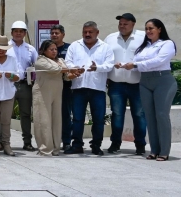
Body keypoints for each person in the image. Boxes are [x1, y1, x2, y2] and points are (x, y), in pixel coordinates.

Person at [122, 19, 177, 161]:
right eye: (146, 29)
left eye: (151, 28)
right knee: (150, 117)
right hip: (145, 81)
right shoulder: (144, 46)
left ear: (159, 29)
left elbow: (159, 61)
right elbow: (135, 62)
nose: (148, 31)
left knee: (161, 115)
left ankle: (164, 151)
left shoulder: (167, 44)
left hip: (162, 81)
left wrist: (135, 64)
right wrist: (124, 64)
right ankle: (154, 149)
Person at [64, 21, 114, 155]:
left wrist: (97, 67)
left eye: (90, 32)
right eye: (85, 32)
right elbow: (68, 62)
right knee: (77, 118)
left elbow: (110, 65)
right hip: (78, 87)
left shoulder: (105, 47)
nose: (87, 34)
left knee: (98, 119)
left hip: (97, 88)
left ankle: (96, 145)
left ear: (97, 33)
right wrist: (75, 69)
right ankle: (77, 145)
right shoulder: (75, 46)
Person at [104, 13, 147, 155]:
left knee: (139, 115)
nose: (122, 26)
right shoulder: (110, 38)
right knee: (117, 115)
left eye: (125, 24)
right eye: (120, 24)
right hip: (116, 84)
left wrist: (134, 65)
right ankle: (115, 143)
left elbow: (149, 56)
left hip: (137, 84)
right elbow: (104, 56)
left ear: (133, 24)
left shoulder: (142, 37)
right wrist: (111, 65)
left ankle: (140, 145)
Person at [33, 39, 72, 156]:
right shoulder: (40, 60)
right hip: (42, 92)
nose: (54, 51)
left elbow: (67, 76)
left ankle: (56, 148)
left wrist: (75, 73)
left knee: (56, 120)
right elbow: (54, 69)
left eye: (55, 49)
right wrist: (68, 69)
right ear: (44, 51)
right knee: (43, 120)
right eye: (51, 49)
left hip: (57, 93)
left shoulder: (60, 60)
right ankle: (45, 148)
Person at [6, 21, 38, 151]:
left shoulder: (30, 49)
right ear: (11, 32)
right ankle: (4, 141)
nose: (18, 33)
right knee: (6, 114)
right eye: (16, 31)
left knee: (25, 114)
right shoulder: (5, 47)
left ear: (25, 33)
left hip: (25, 85)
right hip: (8, 84)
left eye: (21, 31)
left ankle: (27, 142)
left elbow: (37, 65)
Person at [50, 24, 72, 151]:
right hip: (50, 85)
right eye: (52, 33)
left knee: (65, 114)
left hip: (66, 86)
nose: (54, 35)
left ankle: (67, 141)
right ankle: (53, 141)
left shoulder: (69, 48)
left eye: (56, 33)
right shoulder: (46, 48)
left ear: (63, 34)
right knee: (51, 115)